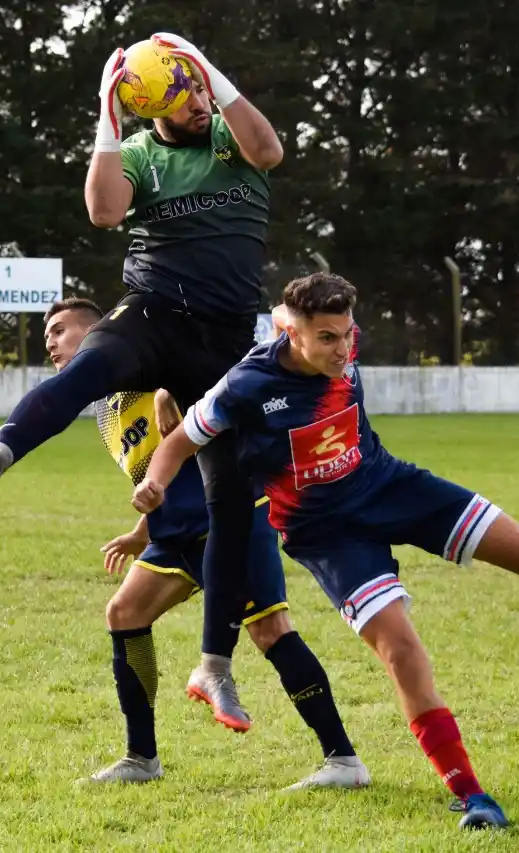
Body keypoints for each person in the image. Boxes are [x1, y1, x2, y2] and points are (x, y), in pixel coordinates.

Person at [131, 272, 519, 830]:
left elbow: (285, 312)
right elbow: (177, 443)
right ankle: (471, 795)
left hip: (389, 485)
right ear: (294, 335)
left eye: (347, 334)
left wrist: (304, 320)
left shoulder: (328, 339)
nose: (343, 349)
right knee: (401, 650)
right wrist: (153, 483)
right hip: (327, 533)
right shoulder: (246, 386)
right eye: (327, 338)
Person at [0, 33, 284, 728]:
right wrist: (108, 108)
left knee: (230, 496)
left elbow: (271, 151)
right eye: (182, 92)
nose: (197, 102)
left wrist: (202, 64)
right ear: (148, 103)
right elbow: (103, 210)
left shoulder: (231, 135)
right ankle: (1, 455)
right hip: (153, 310)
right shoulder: (136, 153)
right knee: (91, 366)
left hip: (222, 342)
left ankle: (215, 666)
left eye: (199, 90)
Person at [43, 298, 368, 789]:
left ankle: (343, 761)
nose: (50, 341)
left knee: (271, 631)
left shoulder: (141, 364)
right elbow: (157, 473)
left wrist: (166, 395)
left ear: (95, 335)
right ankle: (141, 758)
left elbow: (199, 397)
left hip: (232, 519)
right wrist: (141, 533)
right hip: (176, 533)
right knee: (124, 613)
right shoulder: (107, 410)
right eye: (48, 333)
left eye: (60, 330)